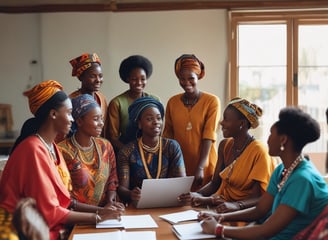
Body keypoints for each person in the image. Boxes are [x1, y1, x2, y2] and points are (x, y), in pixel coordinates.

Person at [0, 80, 123, 240]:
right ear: (53, 114)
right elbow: (50, 212)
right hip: (23, 232)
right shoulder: (32, 150)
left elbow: (64, 203)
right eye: (69, 113)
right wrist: (98, 217)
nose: (73, 119)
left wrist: (103, 211)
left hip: (48, 227)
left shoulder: (52, 147)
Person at [199, 107, 328, 239]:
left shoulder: (302, 180)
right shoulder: (282, 170)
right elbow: (260, 210)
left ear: (283, 140)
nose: (268, 140)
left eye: (271, 134)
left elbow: (266, 231)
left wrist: (218, 229)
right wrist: (220, 216)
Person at [179, 97, 275, 213]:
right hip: (221, 206)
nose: (221, 123)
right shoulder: (225, 145)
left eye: (226, 119)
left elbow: (259, 197)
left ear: (241, 124)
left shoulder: (259, 151)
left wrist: (236, 205)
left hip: (244, 211)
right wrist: (196, 194)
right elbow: (215, 183)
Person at [163, 54, 220, 191]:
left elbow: (209, 135)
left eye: (191, 78)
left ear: (198, 77)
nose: (186, 82)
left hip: (204, 164)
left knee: (202, 205)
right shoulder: (172, 102)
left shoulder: (212, 101)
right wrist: (167, 166)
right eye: (182, 79)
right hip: (179, 164)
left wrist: (200, 167)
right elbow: (168, 136)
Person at [117, 97, 186, 204]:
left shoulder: (172, 146)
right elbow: (122, 189)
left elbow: (181, 183)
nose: (156, 122)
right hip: (138, 205)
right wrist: (131, 194)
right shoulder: (127, 151)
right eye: (149, 119)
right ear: (139, 124)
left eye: (159, 118)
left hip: (168, 203)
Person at [58, 94, 119, 207]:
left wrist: (110, 203)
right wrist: (100, 212)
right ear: (79, 121)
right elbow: (65, 196)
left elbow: (112, 180)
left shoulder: (105, 146)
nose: (101, 123)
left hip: (105, 215)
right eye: (96, 119)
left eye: (101, 118)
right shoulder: (62, 151)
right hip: (77, 218)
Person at [105, 55, 159, 153]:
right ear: (128, 79)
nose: (139, 82)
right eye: (134, 79)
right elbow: (113, 138)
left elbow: (159, 130)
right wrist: (132, 154)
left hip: (152, 152)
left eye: (143, 79)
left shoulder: (154, 100)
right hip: (126, 153)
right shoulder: (117, 103)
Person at [69, 53, 108, 135]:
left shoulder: (101, 98)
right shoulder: (71, 100)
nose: (98, 80)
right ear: (81, 77)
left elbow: (104, 130)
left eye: (100, 76)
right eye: (92, 76)